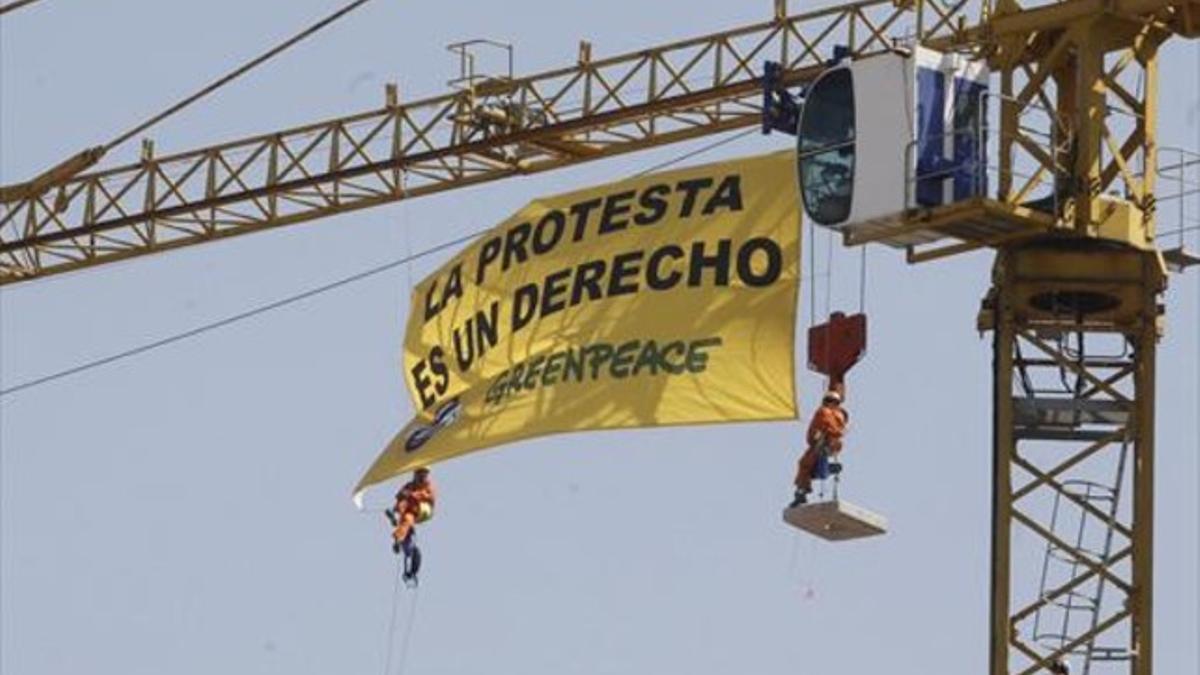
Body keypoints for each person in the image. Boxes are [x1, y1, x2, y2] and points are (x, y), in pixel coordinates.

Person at [789, 388, 849, 507]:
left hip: (822, 443)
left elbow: (828, 426)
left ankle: (802, 492)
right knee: (810, 468)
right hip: (828, 443)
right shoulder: (838, 415)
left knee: (804, 464)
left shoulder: (825, 412)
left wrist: (823, 438)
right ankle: (826, 469)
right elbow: (838, 429)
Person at [386, 467, 436, 582]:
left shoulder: (428, 486)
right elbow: (401, 496)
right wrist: (403, 498)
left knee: (408, 517)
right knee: (405, 513)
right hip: (410, 512)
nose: (421, 477)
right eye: (419, 474)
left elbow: (431, 497)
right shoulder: (409, 485)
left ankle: (396, 526)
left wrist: (417, 495)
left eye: (423, 474)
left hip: (424, 510)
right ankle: (395, 518)